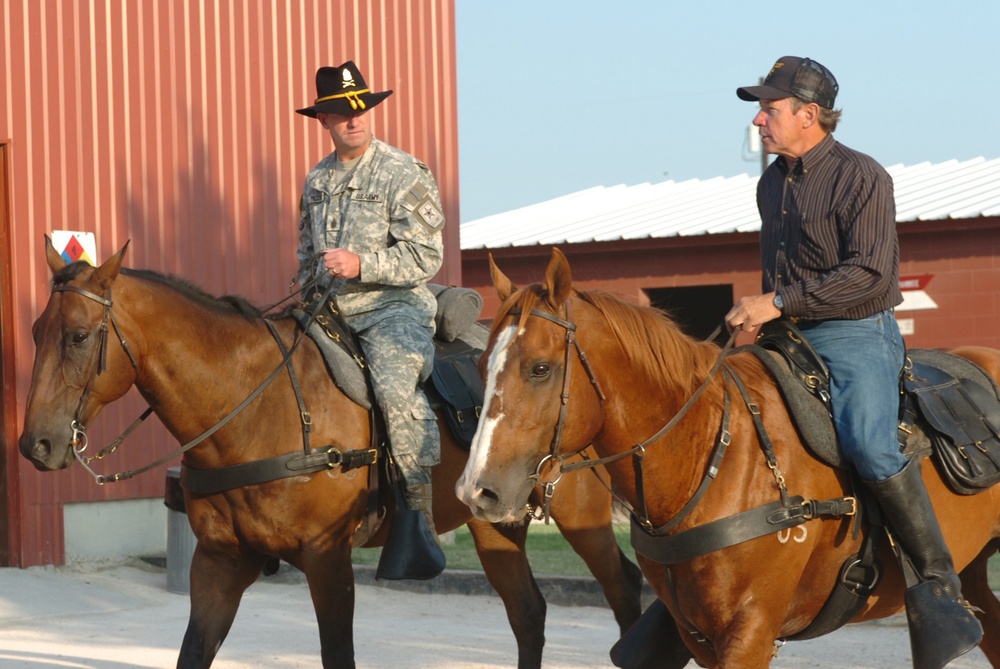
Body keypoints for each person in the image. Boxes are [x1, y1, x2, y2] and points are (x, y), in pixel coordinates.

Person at [727, 56, 981, 666]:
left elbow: (870, 275)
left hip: (856, 332)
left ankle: (938, 585)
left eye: (771, 109)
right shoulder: (772, 182)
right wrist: (765, 314)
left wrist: (776, 301)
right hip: (788, 334)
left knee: (870, 445)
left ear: (808, 116)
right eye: (760, 110)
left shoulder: (862, 176)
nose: (759, 120)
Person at [295, 61, 446, 549]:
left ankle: (415, 517)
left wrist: (362, 263)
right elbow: (304, 256)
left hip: (391, 309)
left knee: (395, 388)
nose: (354, 119)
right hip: (327, 314)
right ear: (323, 120)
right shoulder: (316, 181)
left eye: (360, 108)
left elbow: (426, 254)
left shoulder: (402, 171)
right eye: (341, 112)